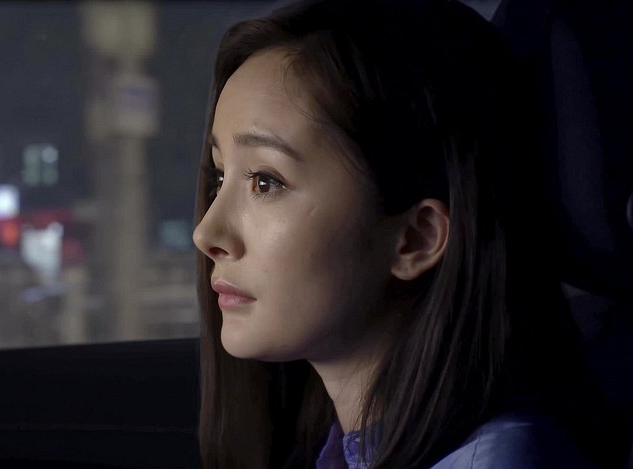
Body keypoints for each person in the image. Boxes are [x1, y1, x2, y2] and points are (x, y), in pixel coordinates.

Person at [191, 0, 618, 467]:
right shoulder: (342, 450)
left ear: (417, 238)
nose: (206, 232)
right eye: (219, 176)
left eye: (265, 182)